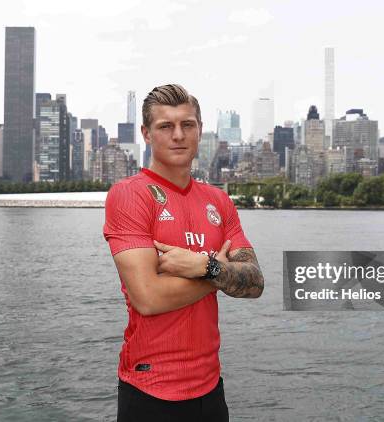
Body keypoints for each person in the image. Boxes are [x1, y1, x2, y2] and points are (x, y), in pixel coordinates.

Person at [103, 84, 264, 422]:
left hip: (210, 390)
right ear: (147, 134)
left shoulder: (218, 201)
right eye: (165, 126)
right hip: (150, 391)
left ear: (199, 131)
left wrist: (202, 267)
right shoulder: (130, 195)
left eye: (187, 125)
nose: (178, 135)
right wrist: (217, 272)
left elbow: (254, 283)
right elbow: (148, 298)